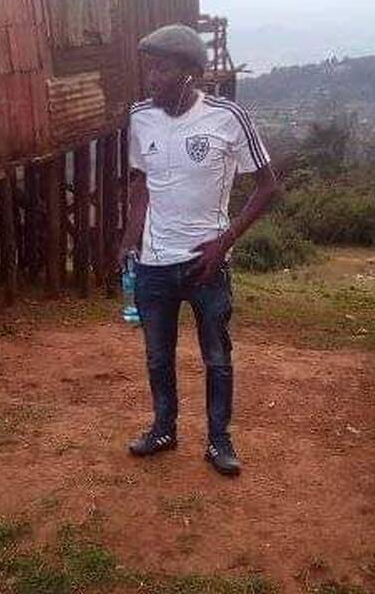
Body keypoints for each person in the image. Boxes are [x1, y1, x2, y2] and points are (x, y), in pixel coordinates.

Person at [117, 24, 278, 476]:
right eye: (149, 68)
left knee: (216, 358)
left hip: (206, 264)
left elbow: (267, 186)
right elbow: (140, 183)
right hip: (153, 264)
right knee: (157, 356)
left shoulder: (227, 117)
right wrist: (129, 239)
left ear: (190, 72)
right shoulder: (141, 116)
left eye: (162, 69)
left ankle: (219, 441)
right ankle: (163, 429)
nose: (151, 78)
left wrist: (224, 242)